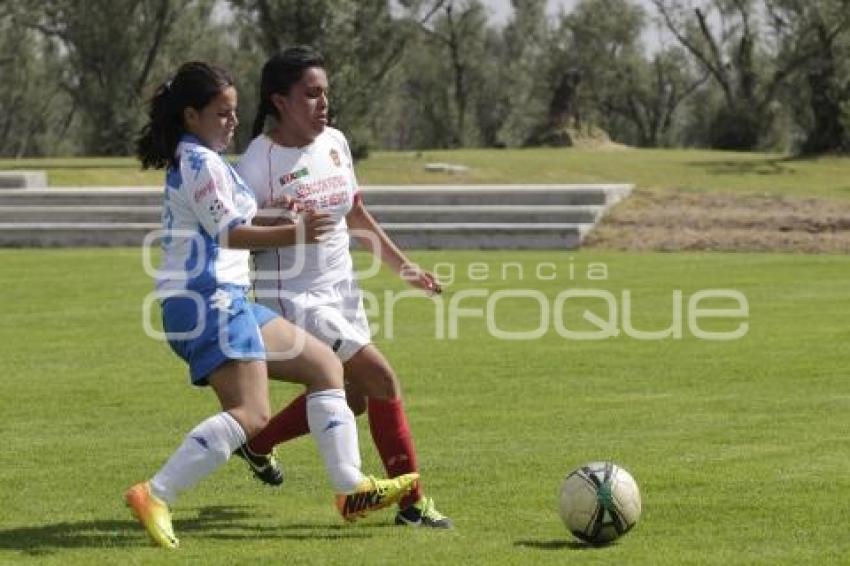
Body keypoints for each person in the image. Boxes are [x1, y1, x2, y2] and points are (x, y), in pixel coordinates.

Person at [125, 61, 417, 550]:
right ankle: (154, 493)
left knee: (327, 367)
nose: (233, 121)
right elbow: (230, 233)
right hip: (208, 300)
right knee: (251, 414)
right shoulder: (198, 161)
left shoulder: (205, 159)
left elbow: (237, 215)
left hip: (226, 300)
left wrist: (282, 213)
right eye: (222, 113)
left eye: (235, 112)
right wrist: (295, 230)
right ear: (191, 116)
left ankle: (352, 490)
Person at [235, 46, 452, 529]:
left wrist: (406, 268)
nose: (323, 103)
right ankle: (412, 504)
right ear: (280, 102)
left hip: (341, 292)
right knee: (382, 380)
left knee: (353, 397)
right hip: (292, 299)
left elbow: (355, 215)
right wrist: (277, 219)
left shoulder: (335, 142)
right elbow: (232, 230)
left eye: (325, 93)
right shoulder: (258, 160)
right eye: (311, 94)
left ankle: (257, 441)